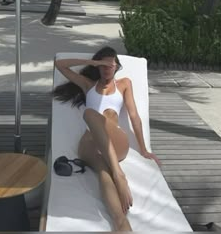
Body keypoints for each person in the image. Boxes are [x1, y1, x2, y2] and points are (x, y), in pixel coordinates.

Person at [54, 46, 161, 232]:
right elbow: (60, 65)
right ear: (98, 67)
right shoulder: (89, 85)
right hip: (89, 144)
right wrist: (92, 62)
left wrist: (144, 149)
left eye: (110, 64)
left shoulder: (124, 84)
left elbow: (134, 116)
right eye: (102, 65)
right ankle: (121, 223)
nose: (106, 68)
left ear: (117, 66)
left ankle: (118, 174)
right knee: (103, 172)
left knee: (90, 114)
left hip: (116, 143)